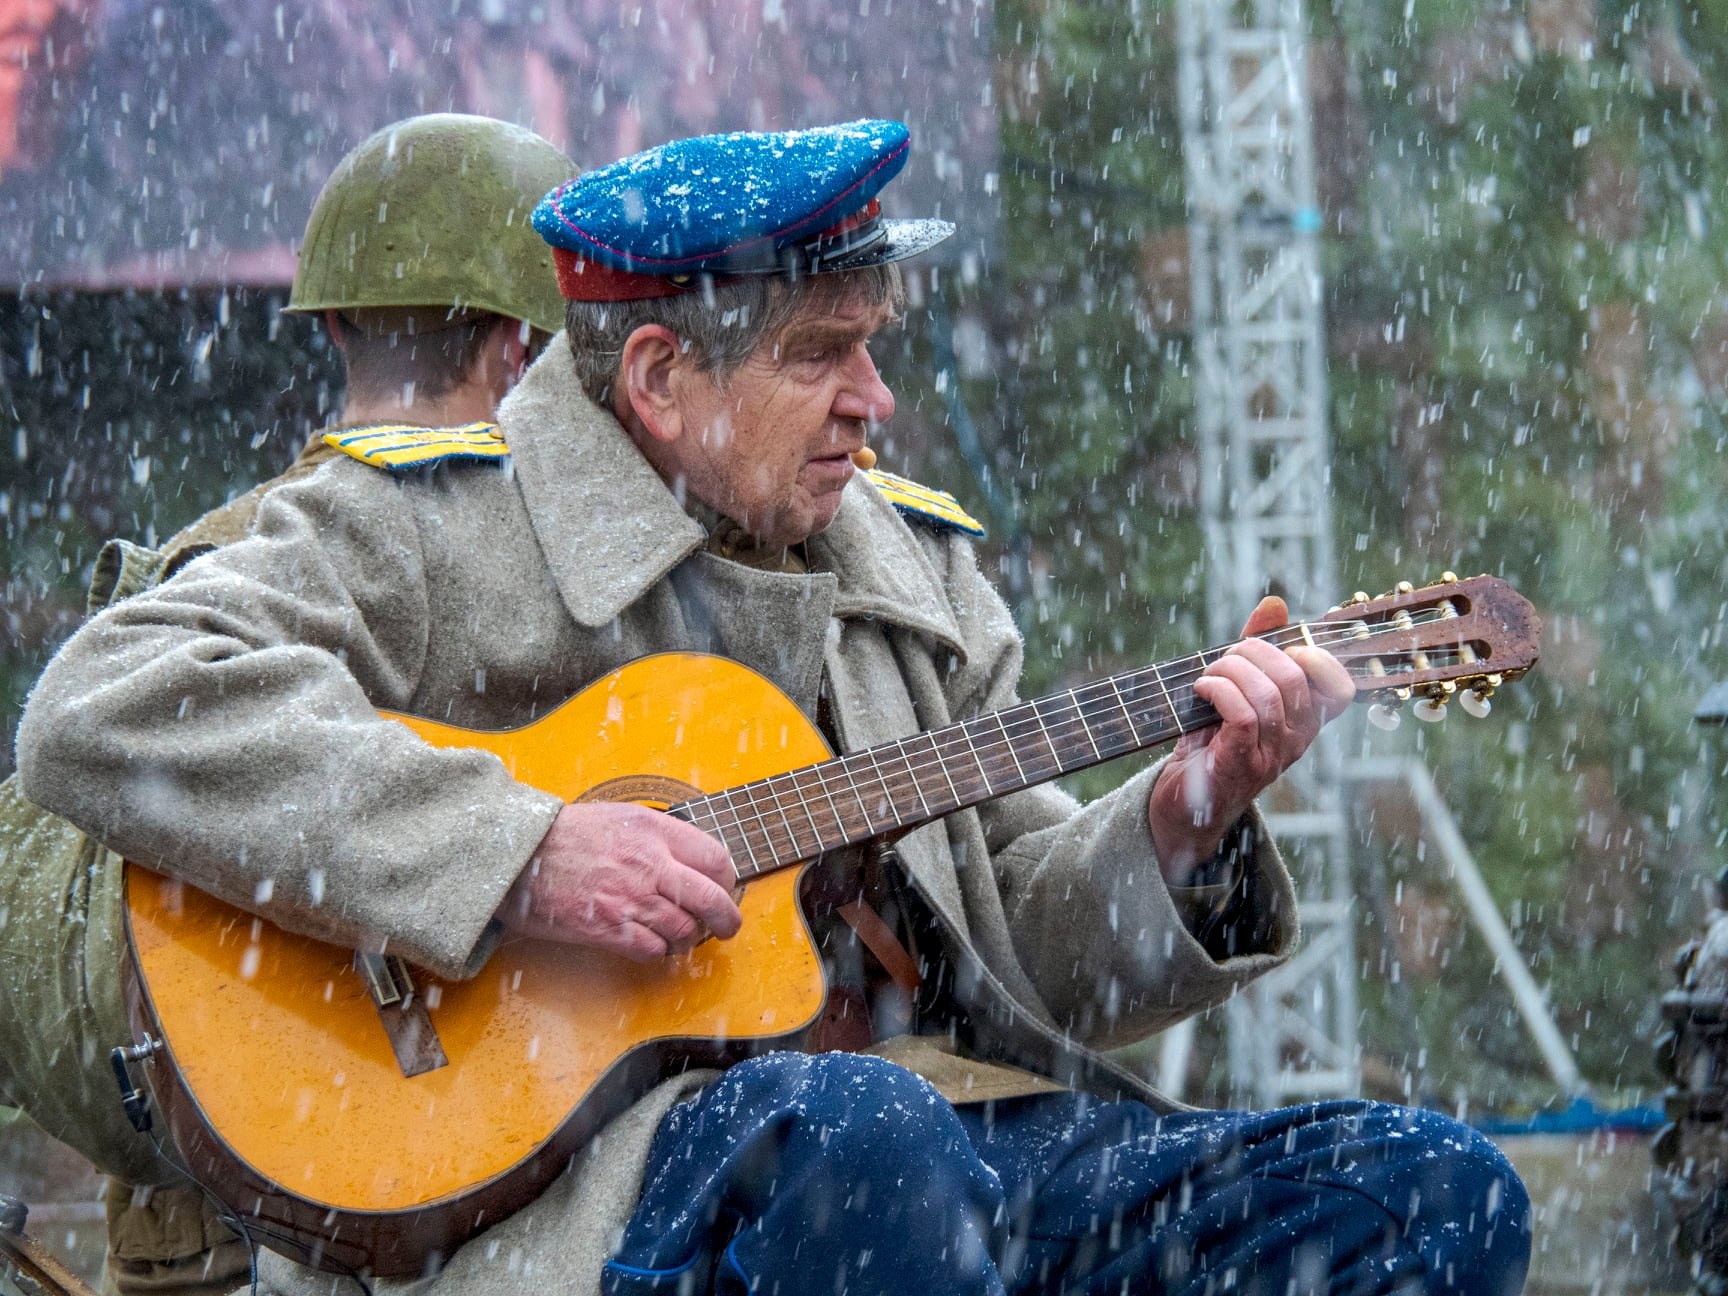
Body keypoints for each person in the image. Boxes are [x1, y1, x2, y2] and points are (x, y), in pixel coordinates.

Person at [15, 120, 1531, 1296]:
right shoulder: (434, 530)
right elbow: (108, 703)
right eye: (824, 353)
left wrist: (1182, 825)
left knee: (1429, 1189)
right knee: (868, 1149)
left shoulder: (915, 568)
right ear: (663, 377)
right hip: (587, 1198)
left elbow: (1028, 949)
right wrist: (517, 851)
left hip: (945, 1147)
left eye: (875, 343)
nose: (875, 398)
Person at [0, 112, 573, 1296]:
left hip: (199, 1228)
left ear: (339, 327)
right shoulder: (504, 591)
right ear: (520, 353)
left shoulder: (219, 564)